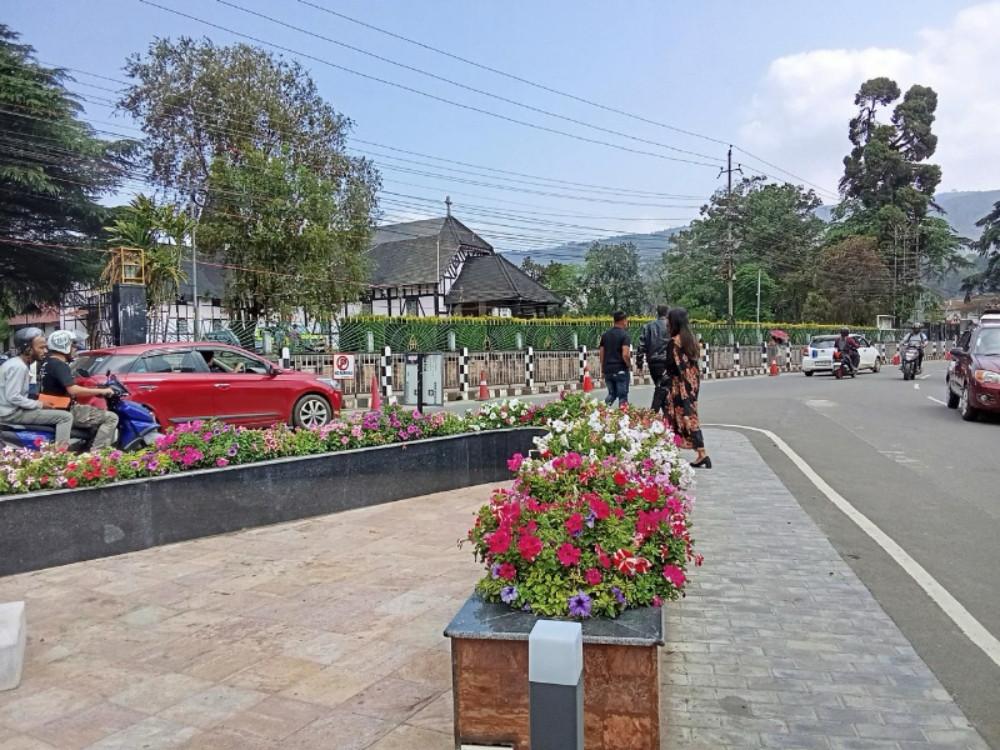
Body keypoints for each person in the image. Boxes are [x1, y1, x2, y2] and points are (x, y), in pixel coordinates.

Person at [40, 330, 119, 451]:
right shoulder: (60, 365)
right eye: (73, 345)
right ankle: (97, 455)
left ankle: (84, 448)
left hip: (51, 407)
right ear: (63, 345)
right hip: (64, 410)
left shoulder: (46, 363)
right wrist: (101, 391)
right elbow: (73, 390)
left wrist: (94, 389)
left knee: (92, 414)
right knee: (111, 418)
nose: (75, 349)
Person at [0, 327, 74, 446]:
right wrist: (39, 404)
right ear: (28, 349)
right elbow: (13, 397)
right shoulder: (19, 367)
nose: (45, 351)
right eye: (41, 347)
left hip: (10, 411)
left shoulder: (15, 363)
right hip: (12, 414)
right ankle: (60, 453)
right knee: (66, 417)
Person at [662, 308, 710, 468]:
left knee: (673, 416)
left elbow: (670, 365)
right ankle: (701, 452)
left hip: (678, 384)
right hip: (692, 383)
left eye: (668, 320)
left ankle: (673, 452)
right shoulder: (691, 340)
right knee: (690, 415)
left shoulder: (674, 342)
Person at [636, 304, 670, 415]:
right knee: (662, 389)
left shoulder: (648, 327)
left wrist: (639, 363)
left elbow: (641, 346)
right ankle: (652, 415)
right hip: (668, 362)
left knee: (662, 388)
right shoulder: (671, 326)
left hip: (653, 362)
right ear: (667, 313)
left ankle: (666, 417)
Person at [598, 311, 632, 407]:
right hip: (620, 370)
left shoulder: (605, 335)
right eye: (626, 320)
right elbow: (625, 354)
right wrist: (629, 365)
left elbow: (601, 354)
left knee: (612, 394)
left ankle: (599, 411)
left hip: (608, 370)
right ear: (623, 321)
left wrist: (603, 369)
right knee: (622, 396)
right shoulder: (625, 335)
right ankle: (624, 415)